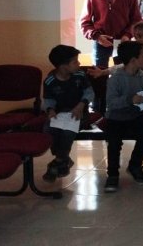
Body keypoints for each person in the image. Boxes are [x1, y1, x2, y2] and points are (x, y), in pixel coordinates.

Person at [104, 41, 143, 192]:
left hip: (136, 115)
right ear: (133, 60)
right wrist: (130, 100)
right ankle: (112, 174)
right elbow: (111, 103)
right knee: (114, 142)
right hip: (116, 117)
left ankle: (135, 165)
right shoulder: (115, 78)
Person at [41, 45, 94, 183]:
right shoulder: (50, 81)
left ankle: (59, 162)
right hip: (59, 115)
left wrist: (81, 105)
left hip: (80, 113)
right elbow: (48, 100)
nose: (79, 63)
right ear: (63, 66)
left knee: (67, 132)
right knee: (49, 130)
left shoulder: (80, 75)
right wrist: (50, 110)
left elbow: (89, 93)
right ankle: (63, 160)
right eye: (75, 61)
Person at [81, 0, 142, 68]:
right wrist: (96, 36)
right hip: (101, 42)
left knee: (124, 71)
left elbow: (136, 20)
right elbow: (84, 23)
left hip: (123, 41)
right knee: (99, 72)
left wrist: (127, 34)